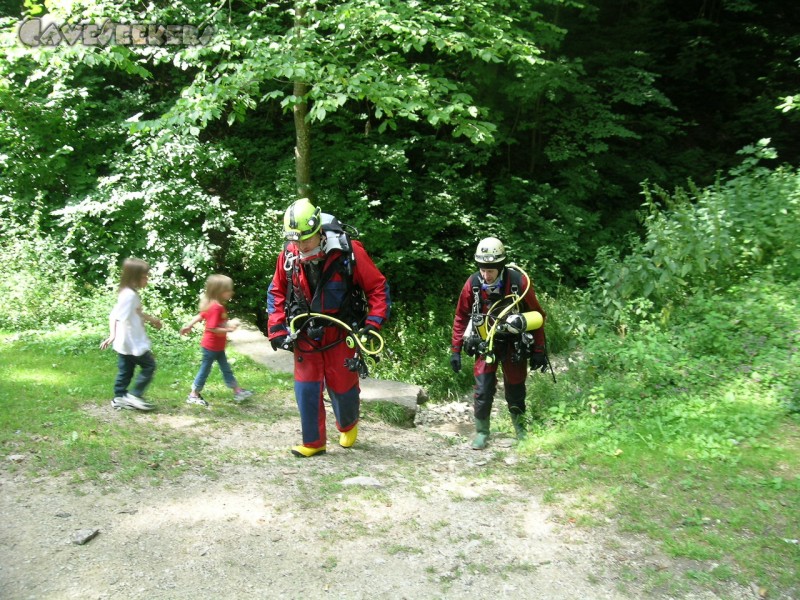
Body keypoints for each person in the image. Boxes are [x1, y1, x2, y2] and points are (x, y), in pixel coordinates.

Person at [267, 198, 390, 457]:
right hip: (305, 333)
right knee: (306, 389)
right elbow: (276, 291)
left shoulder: (348, 253)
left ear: (318, 232)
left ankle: (348, 424)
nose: (300, 247)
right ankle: (313, 443)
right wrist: (277, 328)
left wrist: (373, 323)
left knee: (343, 387)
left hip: (340, 331)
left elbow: (378, 287)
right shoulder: (289, 255)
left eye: (306, 241)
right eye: (295, 241)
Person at [450, 237, 547, 449]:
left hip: (513, 344)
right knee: (483, 389)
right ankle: (482, 432)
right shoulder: (473, 285)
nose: (486, 275)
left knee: (515, 387)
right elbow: (461, 317)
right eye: (483, 270)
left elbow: (538, 315)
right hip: (486, 344)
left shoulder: (518, 283)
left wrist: (540, 348)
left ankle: (521, 430)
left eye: (491, 270)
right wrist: (455, 350)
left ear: (501, 266)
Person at [180, 274, 252, 406]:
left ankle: (237, 391)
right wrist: (228, 330)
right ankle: (193, 395)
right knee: (205, 370)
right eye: (229, 290)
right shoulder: (216, 307)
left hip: (217, 347)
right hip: (211, 347)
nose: (232, 292)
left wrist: (189, 325)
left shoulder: (215, 305)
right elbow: (212, 328)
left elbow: (201, 316)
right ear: (220, 292)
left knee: (226, 369)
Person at [100, 258, 162, 411]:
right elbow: (115, 316)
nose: (147, 279)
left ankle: (119, 398)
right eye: (144, 276)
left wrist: (152, 320)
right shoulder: (130, 296)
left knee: (126, 371)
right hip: (132, 342)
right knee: (149, 366)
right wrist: (112, 335)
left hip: (125, 343)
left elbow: (135, 313)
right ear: (134, 277)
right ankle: (134, 395)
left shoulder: (127, 293)